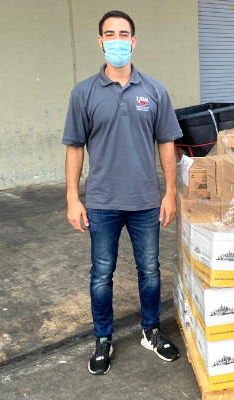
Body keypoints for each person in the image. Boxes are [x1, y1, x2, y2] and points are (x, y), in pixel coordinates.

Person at [63, 10, 183, 375]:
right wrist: (72, 197)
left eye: (124, 34)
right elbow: (74, 146)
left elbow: (167, 143)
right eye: (109, 34)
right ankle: (103, 337)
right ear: (100, 42)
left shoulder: (154, 90)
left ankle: (151, 330)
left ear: (134, 41)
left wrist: (170, 192)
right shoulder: (83, 92)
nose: (117, 40)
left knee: (150, 270)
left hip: (146, 200)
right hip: (101, 202)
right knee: (102, 274)